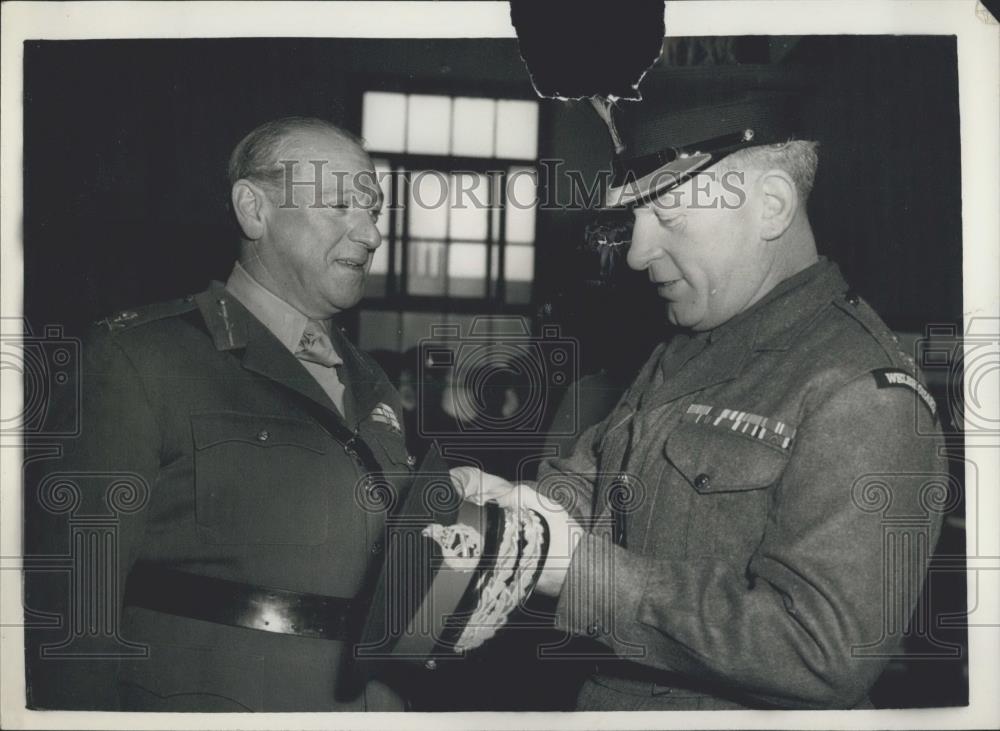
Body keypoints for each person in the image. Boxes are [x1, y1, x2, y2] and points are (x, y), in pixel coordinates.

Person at [451, 84, 948, 710]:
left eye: (669, 216)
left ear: (770, 206)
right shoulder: (687, 344)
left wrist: (579, 571)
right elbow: (605, 477)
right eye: (633, 219)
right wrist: (520, 517)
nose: (636, 252)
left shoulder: (860, 389)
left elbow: (824, 653)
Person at [23, 117, 415, 711]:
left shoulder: (372, 382)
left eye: (374, 210)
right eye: (339, 205)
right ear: (253, 210)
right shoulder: (138, 358)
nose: (371, 234)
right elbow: (74, 618)